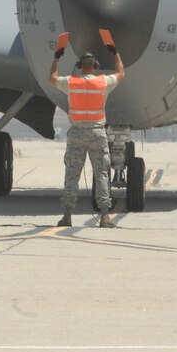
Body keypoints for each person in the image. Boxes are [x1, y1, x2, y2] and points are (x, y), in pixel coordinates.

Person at [48, 44, 125, 228]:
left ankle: (67, 216)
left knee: (72, 174)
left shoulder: (71, 82)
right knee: (101, 175)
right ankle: (105, 216)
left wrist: (56, 58)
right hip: (97, 133)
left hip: (77, 133)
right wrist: (116, 53)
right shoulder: (103, 82)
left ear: (79, 65)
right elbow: (121, 74)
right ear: (95, 65)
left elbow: (51, 78)